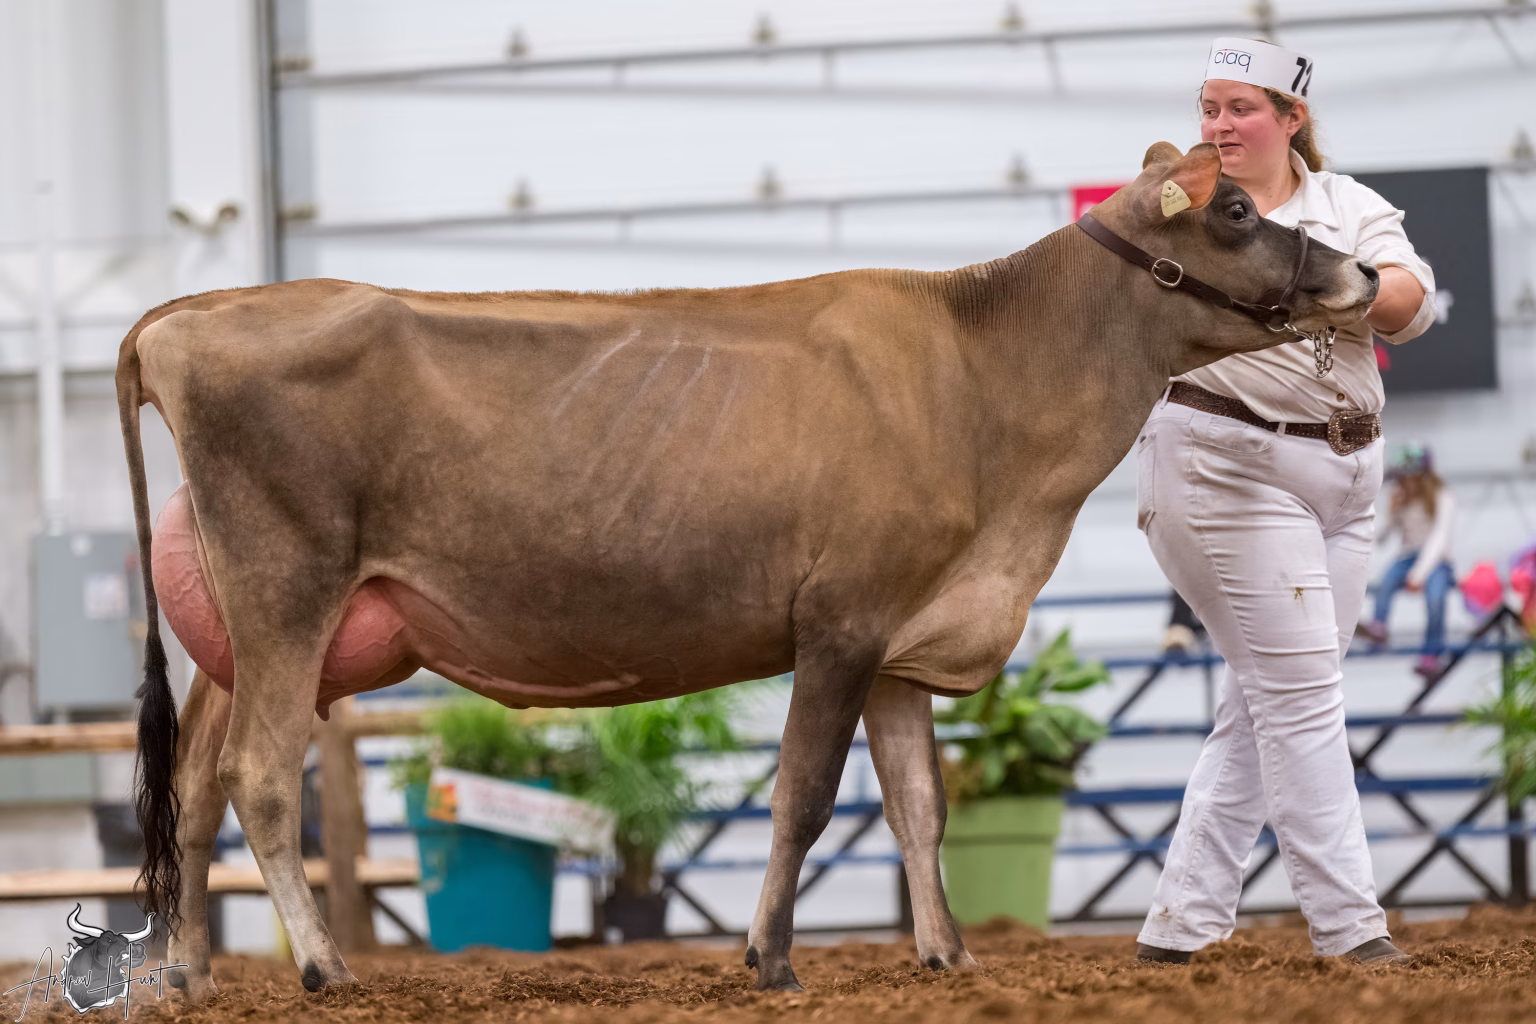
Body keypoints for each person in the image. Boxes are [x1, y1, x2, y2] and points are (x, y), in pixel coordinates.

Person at [1133, 38, 1436, 967]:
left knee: (1266, 701)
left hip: (1349, 474)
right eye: (1208, 107)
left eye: (1240, 108)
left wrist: (1332, 283)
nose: (1219, 125)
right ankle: (1353, 932)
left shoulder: (1347, 204)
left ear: (1291, 118)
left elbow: (1411, 305)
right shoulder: (1180, 208)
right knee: (1301, 699)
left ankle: (1180, 927)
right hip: (1224, 461)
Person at [1358, 445, 1457, 677]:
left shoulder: (1443, 497)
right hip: (1407, 558)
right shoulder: (1401, 497)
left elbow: (1439, 539)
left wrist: (1419, 574)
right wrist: (1391, 513)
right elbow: (1381, 538)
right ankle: (1378, 627)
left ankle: (1431, 654)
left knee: (1436, 598)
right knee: (1386, 582)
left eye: (1408, 475)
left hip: (1437, 562)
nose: (1404, 481)